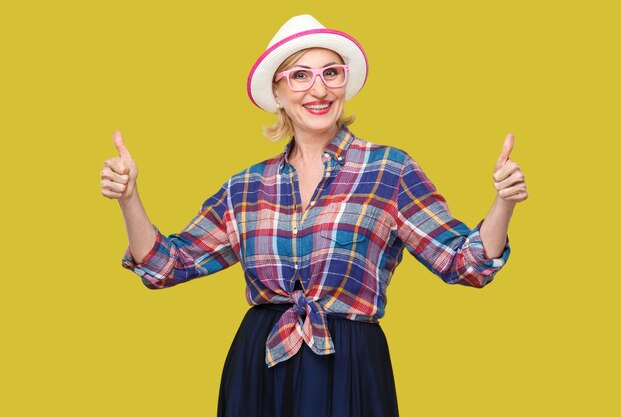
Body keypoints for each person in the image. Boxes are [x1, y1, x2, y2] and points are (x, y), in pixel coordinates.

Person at [100, 14, 527, 417]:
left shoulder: (388, 170)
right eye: (300, 75)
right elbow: (166, 266)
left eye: (331, 73)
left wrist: (503, 202)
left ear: (344, 83)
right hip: (260, 366)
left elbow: (463, 263)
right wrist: (129, 197)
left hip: (350, 367)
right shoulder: (245, 187)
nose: (318, 90)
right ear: (278, 93)